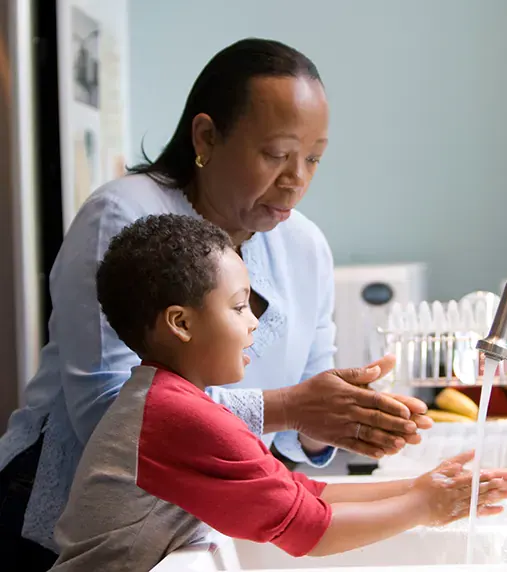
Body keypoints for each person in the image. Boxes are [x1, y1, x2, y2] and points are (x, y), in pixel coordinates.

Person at [0, 38, 432, 569]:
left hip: (180, 531)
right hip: (62, 526)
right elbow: (108, 415)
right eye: (276, 154)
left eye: (313, 158)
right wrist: (293, 406)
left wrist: (339, 422)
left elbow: (301, 428)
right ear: (206, 136)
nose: (296, 180)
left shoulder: (306, 247)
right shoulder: (124, 215)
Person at [50, 214, 507, 571]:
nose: (254, 322)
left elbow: (303, 492)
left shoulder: (168, 400)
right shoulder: (175, 416)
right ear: (181, 323)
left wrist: (420, 488)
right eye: (238, 307)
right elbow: (309, 530)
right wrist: (425, 507)